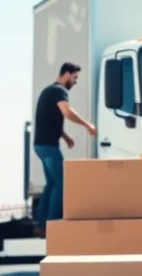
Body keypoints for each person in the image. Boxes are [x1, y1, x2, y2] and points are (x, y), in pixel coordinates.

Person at [33, 61, 96, 237]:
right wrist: (87, 125)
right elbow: (67, 112)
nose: (76, 81)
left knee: (52, 184)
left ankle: (40, 224)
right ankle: (53, 222)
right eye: (75, 77)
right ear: (66, 74)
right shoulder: (59, 91)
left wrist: (65, 137)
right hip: (48, 147)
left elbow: (50, 120)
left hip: (41, 145)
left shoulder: (49, 91)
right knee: (62, 183)